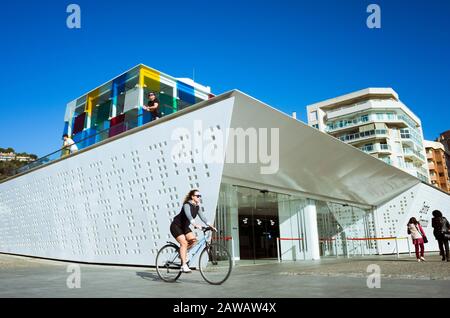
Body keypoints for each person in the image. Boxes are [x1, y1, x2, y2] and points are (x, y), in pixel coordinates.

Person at [170, 189, 216, 273]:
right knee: (184, 243)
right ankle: (183, 266)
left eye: (200, 196)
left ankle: (182, 253)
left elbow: (203, 218)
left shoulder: (197, 207)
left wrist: (210, 225)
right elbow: (189, 216)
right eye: (197, 196)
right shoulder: (187, 205)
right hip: (176, 226)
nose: (199, 197)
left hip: (184, 227)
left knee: (194, 241)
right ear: (192, 196)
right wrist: (195, 225)